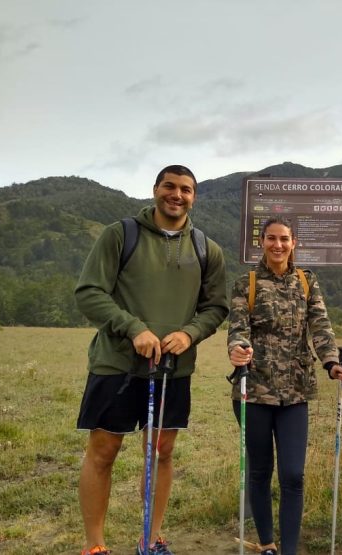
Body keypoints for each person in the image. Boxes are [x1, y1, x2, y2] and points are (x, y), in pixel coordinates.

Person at [75, 165, 229, 555]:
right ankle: (95, 545)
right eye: (170, 186)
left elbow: (216, 307)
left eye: (186, 190)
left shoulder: (206, 248)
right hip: (118, 366)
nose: (177, 195)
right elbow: (90, 292)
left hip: (172, 369)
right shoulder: (119, 235)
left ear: (194, 197)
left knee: (160, 452)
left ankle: (151, 538)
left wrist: (189, 333)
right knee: (103, 452)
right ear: (156, 189)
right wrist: (132, 328)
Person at [227, 215, 342, 555]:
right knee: (260, 471)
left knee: (293, 474)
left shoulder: (307, 281)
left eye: (284, 238)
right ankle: (267, 544)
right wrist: (237, 350)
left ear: (294, 242)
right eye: (271, 238)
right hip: (253, 391)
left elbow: (321, 327)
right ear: (262, 242)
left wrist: (331, 363)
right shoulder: (247, 283)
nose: (277, 244)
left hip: (296, 391)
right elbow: (237, 327)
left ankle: (290, 550)